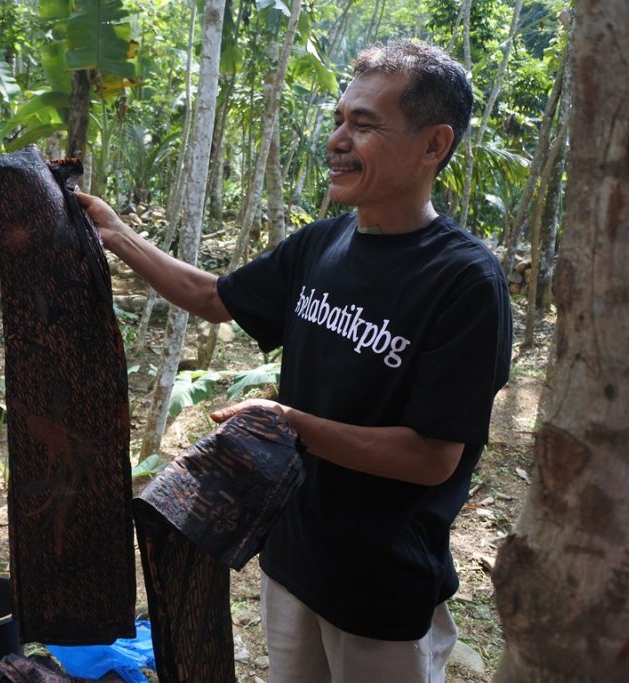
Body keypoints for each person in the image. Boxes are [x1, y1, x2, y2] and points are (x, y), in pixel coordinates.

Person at [77, 40, 512, 683]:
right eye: (339, 120)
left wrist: (288, 423)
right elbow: (215, 297)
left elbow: (432, 456)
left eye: (363, 125)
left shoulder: (464, 281)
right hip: (292, 555)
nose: (337, 139)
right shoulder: (321, 244)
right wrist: (116, 235)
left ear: (433, 144)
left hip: (379, 584)